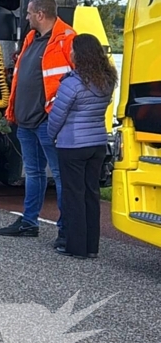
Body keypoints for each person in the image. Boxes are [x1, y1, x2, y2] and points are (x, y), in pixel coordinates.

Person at [0, 0, 75, 239]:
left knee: (60, 175)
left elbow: (78, 80)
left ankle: (66, 229)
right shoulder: (32, 38)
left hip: (47, 121)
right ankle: (29, 222)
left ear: (40, 14)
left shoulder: (68, 39)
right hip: (26, 120)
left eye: (30, 13)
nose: (27, 17)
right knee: (33, 172)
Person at [47, 35, 117, 259]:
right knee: (91, 194)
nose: (71, 53)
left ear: (79, 54)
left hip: (73, 144)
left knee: (73, 195)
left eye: (73, 50)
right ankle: (91, 246)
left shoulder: (72, 83)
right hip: (97, 143)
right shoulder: (106, 80)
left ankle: (75, 246)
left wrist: (52, 136)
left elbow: (57, 116)